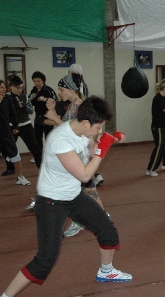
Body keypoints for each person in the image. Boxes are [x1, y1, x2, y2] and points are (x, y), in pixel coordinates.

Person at [0, 97, 131, 297]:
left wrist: (108, 139)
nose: (99, 131)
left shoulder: (83, 132)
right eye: (98, 127)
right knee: (46, 259)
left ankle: (106, 272)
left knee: (108, 231)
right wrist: (103, 149)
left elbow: (90, 151)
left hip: (74, 196)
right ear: (86, 123)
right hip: (51, 202)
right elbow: (85, 175)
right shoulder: (60, 139)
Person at [44, 73, 114, 237]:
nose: (59, 92)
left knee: (79, 190)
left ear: (71, 89)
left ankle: (83, 219)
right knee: (89, 189)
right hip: (76, 153)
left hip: (77, 154)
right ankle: (101, 219)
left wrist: (54, 116)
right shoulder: (74, 105)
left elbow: (78, 131)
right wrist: (52, 112)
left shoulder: (78, 105)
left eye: (61, 89)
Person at [0, 79, 31, 186]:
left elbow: (13, 113)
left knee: (14, 153)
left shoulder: (7, 98)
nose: (5, 89)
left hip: (5, 131)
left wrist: (15, 125)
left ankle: (21, 177)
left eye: (5, 87)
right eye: (2, 87)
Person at [1, 76, 42, 176]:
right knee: (7, 149)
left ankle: (42, 168)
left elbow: (31, 110)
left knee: (35, 148)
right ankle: (10, 168)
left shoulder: (25, 97)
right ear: (11, 87)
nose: (20, 90)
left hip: (25, 125)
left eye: (21, 88)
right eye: (18, 88)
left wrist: (23, 106)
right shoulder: (5, 97)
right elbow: (3, 112)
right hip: (11, 126)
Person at [146, 79, 165, 177]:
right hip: (158, 126)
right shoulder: (158, 98)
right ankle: (150, 169)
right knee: (159, 147)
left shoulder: (163, 98)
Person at [29, 71, 58, 153]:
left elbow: (55, 100)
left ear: (43, 81)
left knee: (49, 137)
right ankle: (39, 155)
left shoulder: (48, 90)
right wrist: (31, 97)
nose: (36, 83)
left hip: (47, 117)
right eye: (34, 81)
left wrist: (43, 99)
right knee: (37, 137)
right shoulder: (34, 90)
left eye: (38, 81)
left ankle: (50, 154)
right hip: (38, 117)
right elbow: (29, 102)